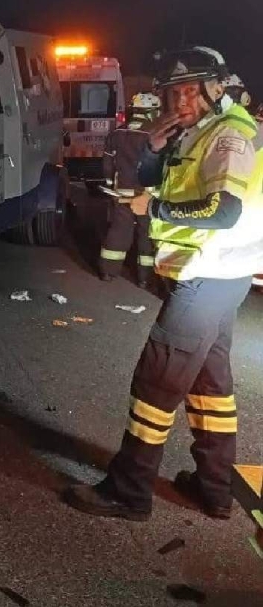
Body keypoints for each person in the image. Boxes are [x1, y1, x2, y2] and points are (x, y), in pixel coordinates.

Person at [65, 47, 262, 521]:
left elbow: (223, 210)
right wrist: (152, 150)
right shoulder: (202, 130)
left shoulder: (229, 135)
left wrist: (149, 210)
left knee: (155, 384)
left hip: (205, 276)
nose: (180, 101)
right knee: (210, 384)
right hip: (215, 276)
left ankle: (128, 491)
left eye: (190, 89)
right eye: (174, 92)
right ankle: (214, 488)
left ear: (218, 87)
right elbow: (166, 181)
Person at [98, 92, 161, 286]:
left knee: (119, 230)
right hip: (147, 195)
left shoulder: (117, 133)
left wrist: (110, 184)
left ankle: (108, 272)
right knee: (146, 233)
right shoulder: (156, 134)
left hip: (121, 193)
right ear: (152, 112)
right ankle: (145, 277)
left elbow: (107, 162)